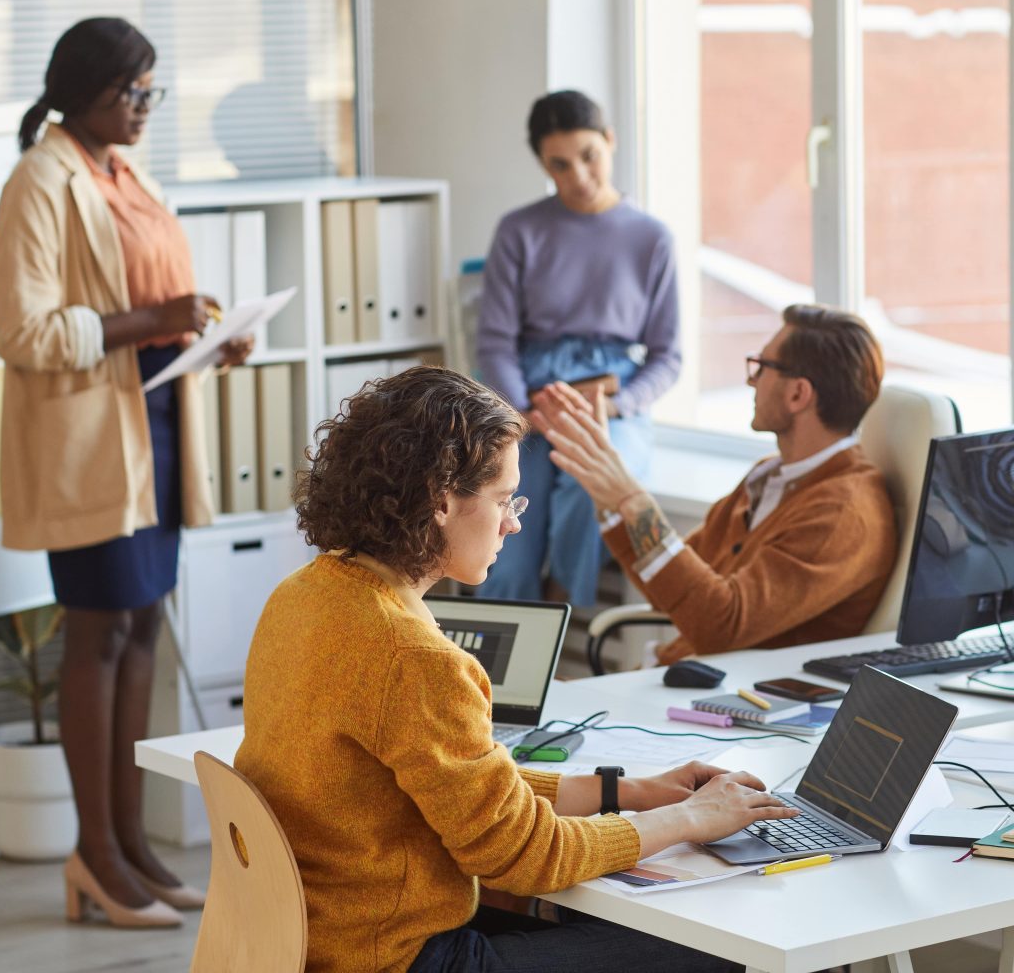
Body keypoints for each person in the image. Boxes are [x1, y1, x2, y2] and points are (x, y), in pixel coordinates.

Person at [235, 365, 796, 973]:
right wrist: (690, 817)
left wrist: (627, 792)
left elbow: (461, 792)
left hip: (312, 940)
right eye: (504, 499)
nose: (514, 522)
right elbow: (527, 856)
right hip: (396, 959)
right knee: (722, 947)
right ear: (442, 501)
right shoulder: (413, 657)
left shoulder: (303, 594)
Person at [0, 18, 253, 928]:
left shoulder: (122, 170)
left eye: (152, 92)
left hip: (158, 418)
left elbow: (149, 298)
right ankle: (95, 855)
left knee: (143, 627)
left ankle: (133, 845)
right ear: (84, 92)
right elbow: (19, 332)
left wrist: (205, 332)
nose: (145, 109)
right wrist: (154, 322)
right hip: (91, 435)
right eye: (132, 93)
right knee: (98, 633)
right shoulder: (39, 179)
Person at [533, 304, 898, 665]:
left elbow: (720, 626)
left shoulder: (841, 514)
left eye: (762, 368)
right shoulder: (770, 478)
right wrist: (606, 495)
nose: (750, 380)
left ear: (798, 394)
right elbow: (668, 593)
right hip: (678, 681)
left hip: (731, 704)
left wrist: (632, 500)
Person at [476, 89, 680, 607]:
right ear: (544, 165)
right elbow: (496, 340)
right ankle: (502, 648)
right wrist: (523, 413)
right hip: (527, 391)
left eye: (589, 156)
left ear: (610, 142)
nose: (580, 176)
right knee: (495, 502)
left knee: (588, 493)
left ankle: (559, 613)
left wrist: (614, 406)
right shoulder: (519, 230)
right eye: (560, 166)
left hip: (611, 395)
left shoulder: (652, 237)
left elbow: (667, 355)